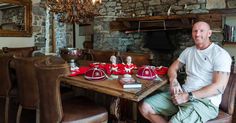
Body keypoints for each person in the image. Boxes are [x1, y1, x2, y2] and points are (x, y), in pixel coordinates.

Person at [138, 21, 232, 123]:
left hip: (205, 102)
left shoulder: (220, 54)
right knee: (145, 107)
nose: (197, 34)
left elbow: (219, 87)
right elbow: (172, 68)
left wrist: (189, 96)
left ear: (209, 33)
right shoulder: (188, 51)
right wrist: (173, 80)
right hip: (182, 94)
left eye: (201, 31)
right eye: (194, 31)